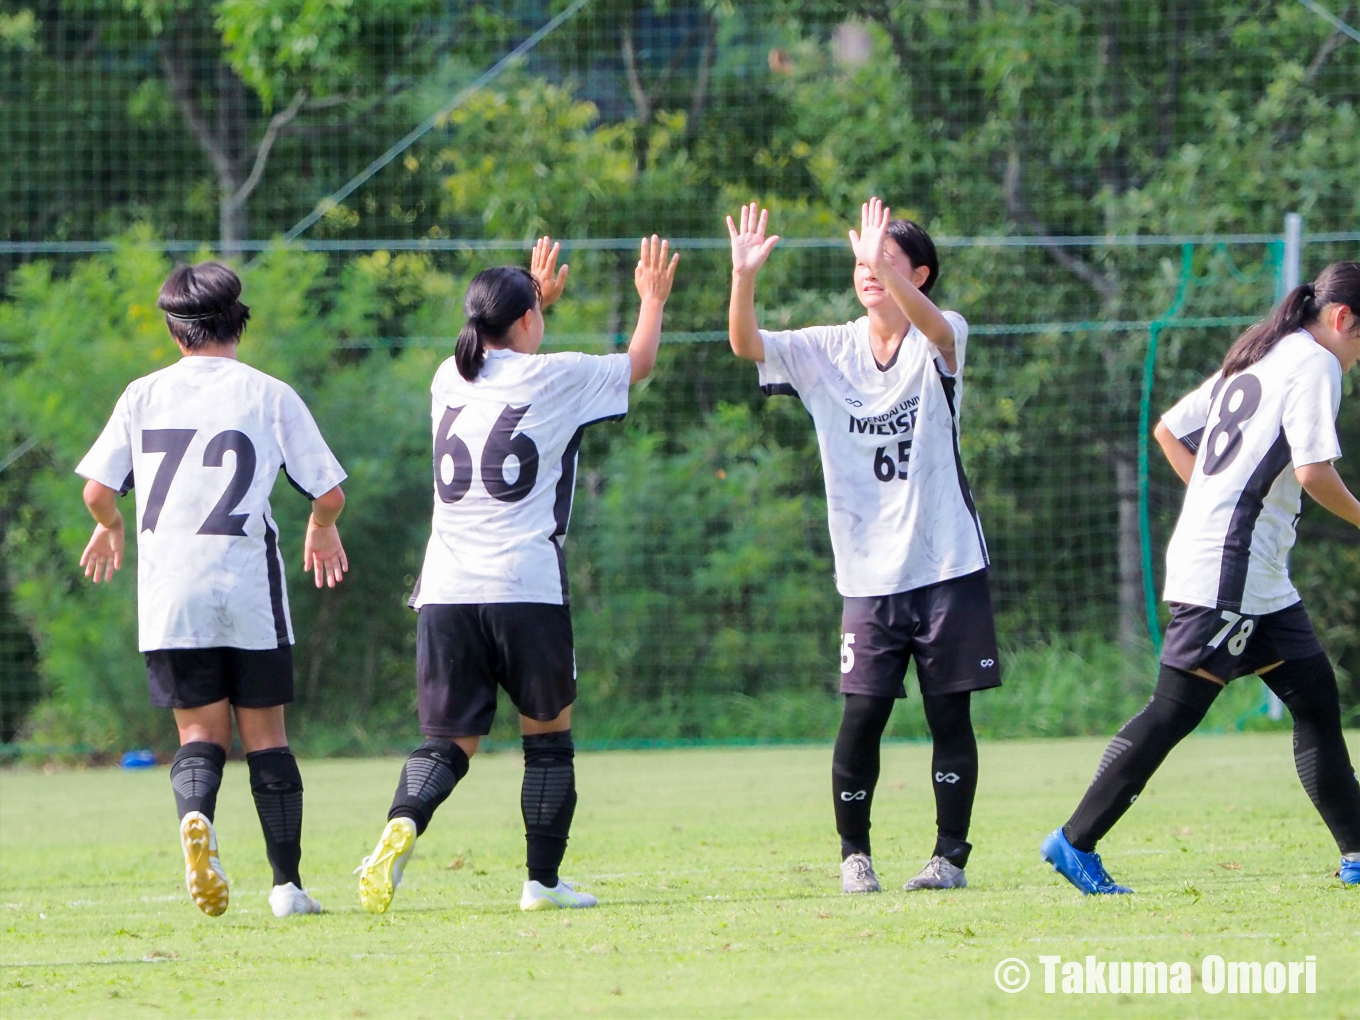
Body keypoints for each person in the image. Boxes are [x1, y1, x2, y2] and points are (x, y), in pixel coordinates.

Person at [356, 235, 680, 913]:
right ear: (528, 320)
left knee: (448, 743)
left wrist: (533, 304)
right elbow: (640, 362)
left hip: (446, 590)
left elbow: (503, 352)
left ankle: (404, 820)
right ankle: (542, 883)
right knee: (548, 737)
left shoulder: (447, 376)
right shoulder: (558, 375)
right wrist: (651, 299)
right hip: (523, 584)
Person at [1043, 261, 1360, 894]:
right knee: (1174, 709)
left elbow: (1170, 429)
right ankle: (1074, 841)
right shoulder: (1315, 363)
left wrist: (1215, 500)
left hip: (1253, 573)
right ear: (1343, 317)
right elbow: (1313, 472)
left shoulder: (1261, 354)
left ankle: (1358, 852)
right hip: (1230, 569)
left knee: (1316, 701)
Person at [726, 199, 1001, 894]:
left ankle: (949, 858)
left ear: (920, 274)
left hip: (946, 564)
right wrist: (744, 276)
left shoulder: (942, 335)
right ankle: (855, 856)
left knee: (949, 714)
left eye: (885, 260)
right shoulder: (829, 348)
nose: (869, 271)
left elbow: (935, 326)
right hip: (867, 575)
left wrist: (888, 266)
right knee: (862, 715)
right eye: (862, 262)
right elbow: (747, 344)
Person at [76, 261, 349, 918]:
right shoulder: (269, 394)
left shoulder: (143, 395)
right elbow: (330, 493)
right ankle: (287, 888)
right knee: (267, 738)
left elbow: (97, 491)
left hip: (173, 595)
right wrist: (321, 528)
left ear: (175, 330)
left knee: (199, 733)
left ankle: (196, 816)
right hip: (248, 587)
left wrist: (111, 526)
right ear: (238, 321)